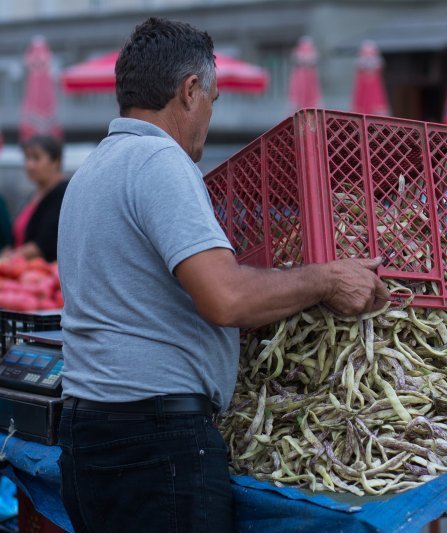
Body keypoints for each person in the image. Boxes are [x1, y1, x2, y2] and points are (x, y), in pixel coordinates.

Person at [56, 17, 390, 533]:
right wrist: (326, 279)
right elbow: (227, 298)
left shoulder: (91, 172)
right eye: (212, 99)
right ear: (190, 92)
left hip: (88, 435)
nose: (210, 115)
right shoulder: (159, 161)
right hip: (155, 443)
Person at [1, 134, 67, 262]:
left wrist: (10, 258)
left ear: (55, 161)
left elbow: (45, 243)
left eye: (36, 158)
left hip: (45, 274)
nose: (29, 165)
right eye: (27, 158)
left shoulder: (62, 194)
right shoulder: (35, 195)